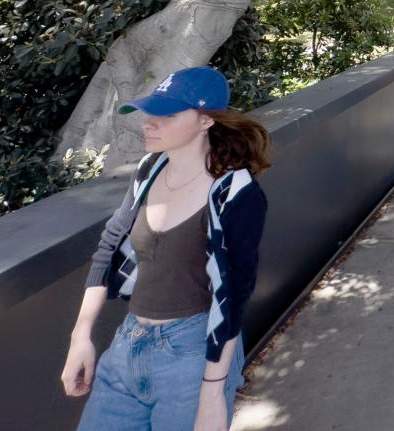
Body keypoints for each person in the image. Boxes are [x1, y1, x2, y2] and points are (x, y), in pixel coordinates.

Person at [61, 66, 271, 431]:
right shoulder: (149, 170)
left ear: (205, 121)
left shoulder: (236, 193)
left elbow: (234, 296)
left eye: (167, 115)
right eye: (150, 112)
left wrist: (211, 395)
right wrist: (80, 337)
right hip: (127, 347)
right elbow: (109, 247)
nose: (149, 123)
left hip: (192, 356)